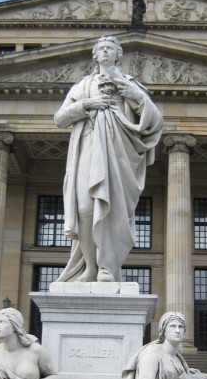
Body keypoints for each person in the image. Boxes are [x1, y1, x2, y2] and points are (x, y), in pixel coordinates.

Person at [54, 36, 163, 283]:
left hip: (119, 154)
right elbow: (60, 118)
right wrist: (86, 105)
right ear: (95, 55)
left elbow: (156, 122)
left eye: (110, 49)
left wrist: (138, 96)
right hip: (89, 149)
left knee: (112, 211)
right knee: (84, 207)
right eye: (101, 49)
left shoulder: (129, 83)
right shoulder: (83, 86)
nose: (105, 52)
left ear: (118, 56)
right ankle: (90, 268)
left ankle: (107, 267)